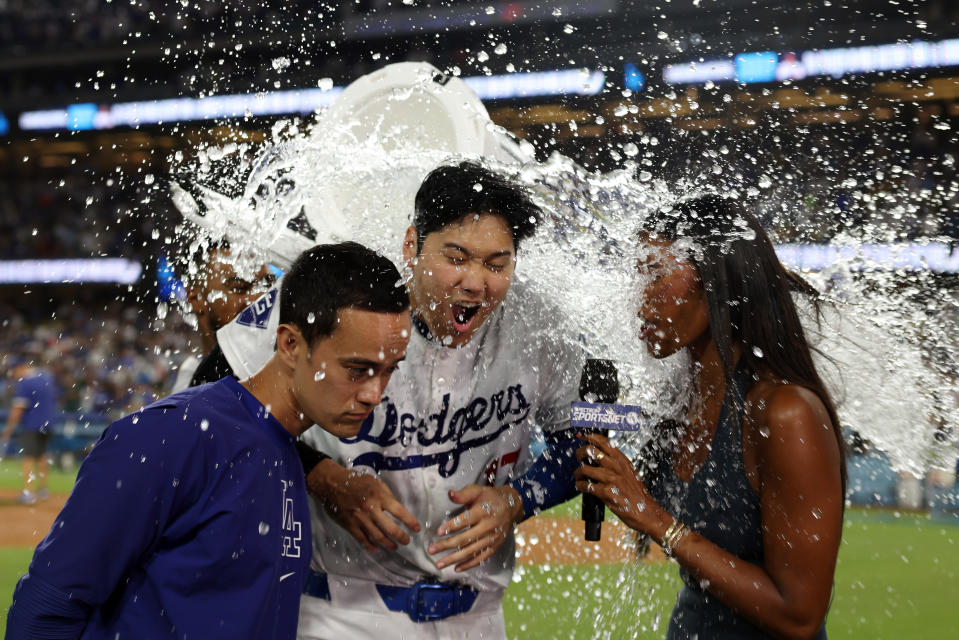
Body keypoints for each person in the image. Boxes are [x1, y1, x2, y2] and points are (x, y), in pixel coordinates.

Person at [211, 161, 586, 638]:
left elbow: (584, 439)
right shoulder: (347, 293)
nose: (476, 281)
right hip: (341, 613)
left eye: (497, 264)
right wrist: (321, 476)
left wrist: (517, 500)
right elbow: (219, 396)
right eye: (456, 257)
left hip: (480, 615)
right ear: (411, 245)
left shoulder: (540, 323)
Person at [5, 242, 411, 640]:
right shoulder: (171, 434)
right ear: (289, 343)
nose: (374, 393)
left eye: (389, 369)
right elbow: (48, 605)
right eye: (358, 369)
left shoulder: (285, 453)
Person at [574, 195, 846, 639]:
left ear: (716, 279)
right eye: (636, 276)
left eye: (655, 274)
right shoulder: (685, 401)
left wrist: (655, 519)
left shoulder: (785, 413)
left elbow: (800, 616)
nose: (637, 298)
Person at [170, 238, 275, 392]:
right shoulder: (192, 402)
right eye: (240, 288)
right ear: (196, 299)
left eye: (267, 285)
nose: (260, 297)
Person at [0, 359, 58, 504]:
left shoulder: (25, 383)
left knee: (28, 458)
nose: (14, 375)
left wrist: (8, 429)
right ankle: (44, 490)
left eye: (15, 372)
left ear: (20, 368)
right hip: (48, 423)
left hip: (32, 425)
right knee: (42, 455)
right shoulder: (46, 377)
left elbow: (18, 409)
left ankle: (29, 493)